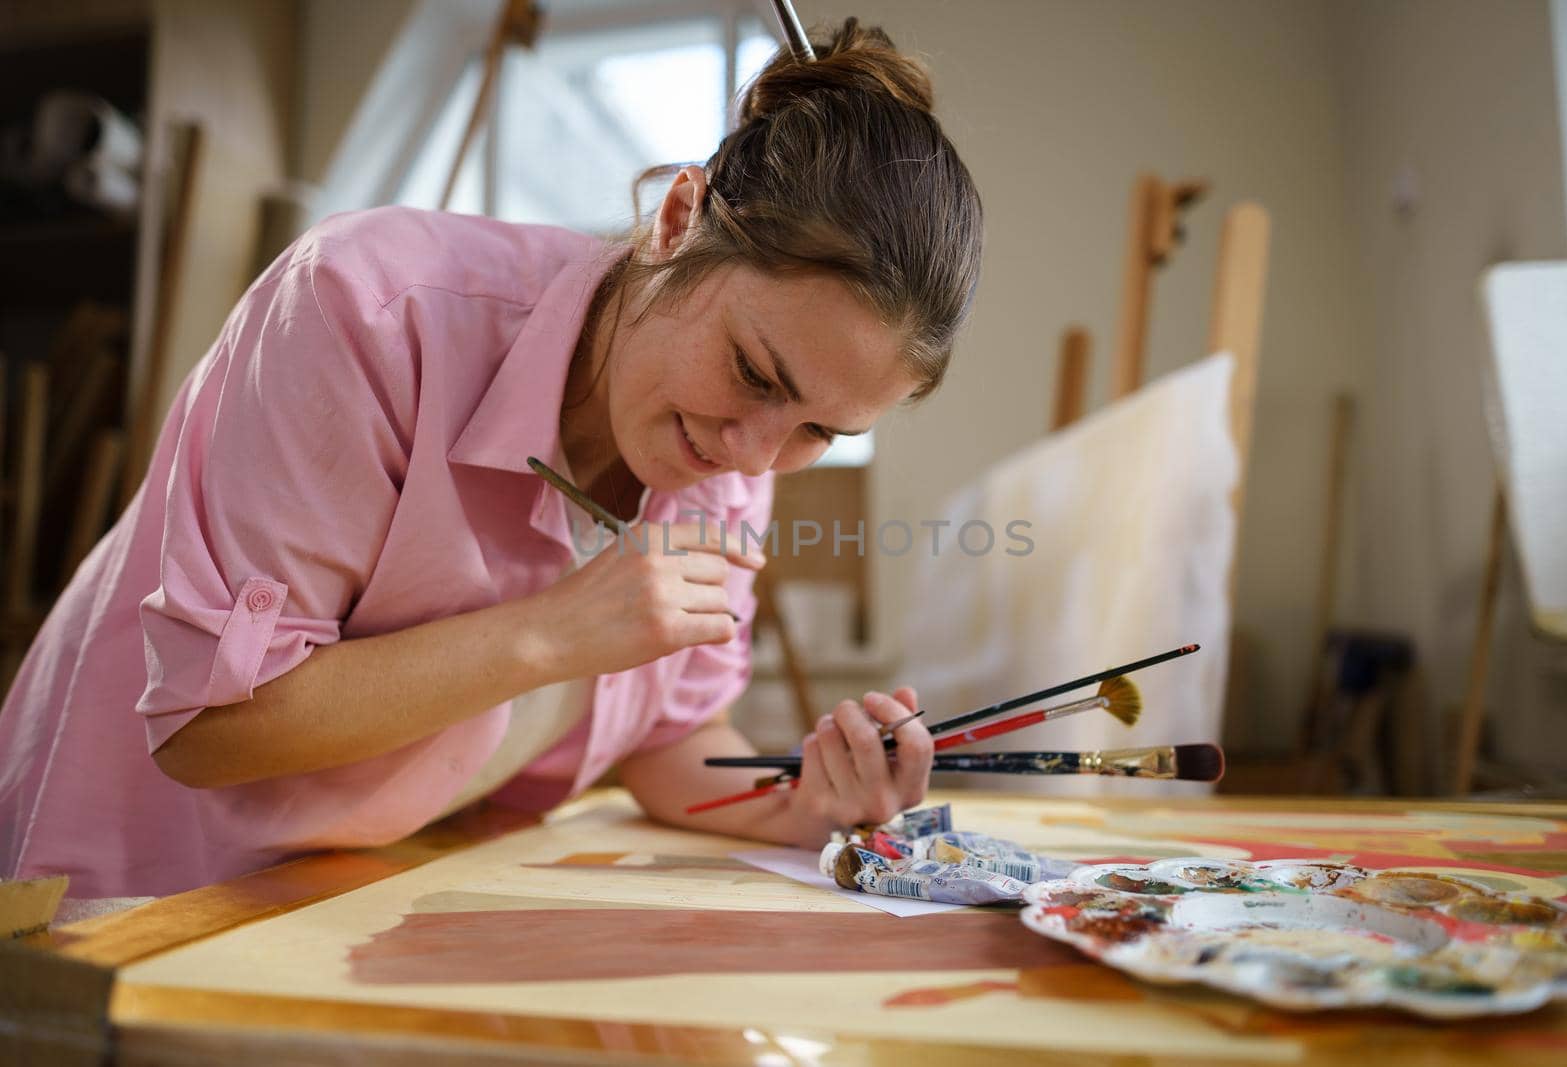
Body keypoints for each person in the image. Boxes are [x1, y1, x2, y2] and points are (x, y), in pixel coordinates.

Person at [0, 19, 983, 898]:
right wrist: (549, 634)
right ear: (679, 220)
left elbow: (671, 740)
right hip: (127, 891)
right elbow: (210, 728)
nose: (755, 453)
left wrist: (812, 796)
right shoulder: (368, 310)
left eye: (819, 429)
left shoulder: (730, 461)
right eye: (753, 371)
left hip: (352, 891)